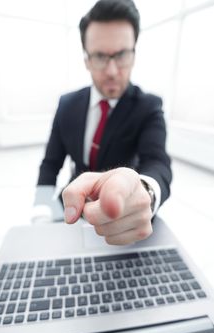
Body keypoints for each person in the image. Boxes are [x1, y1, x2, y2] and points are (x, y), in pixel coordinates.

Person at [36, 0, 172, 245]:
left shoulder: (149, 107)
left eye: (121, 55)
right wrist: (41, 214)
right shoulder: (67, 105)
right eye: (100, 56)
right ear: (87, 60)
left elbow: (157, 163)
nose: (111, 70)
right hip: (70, 206)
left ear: (134, 54)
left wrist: (145, 192)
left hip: (125, 212)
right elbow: (50, 164)